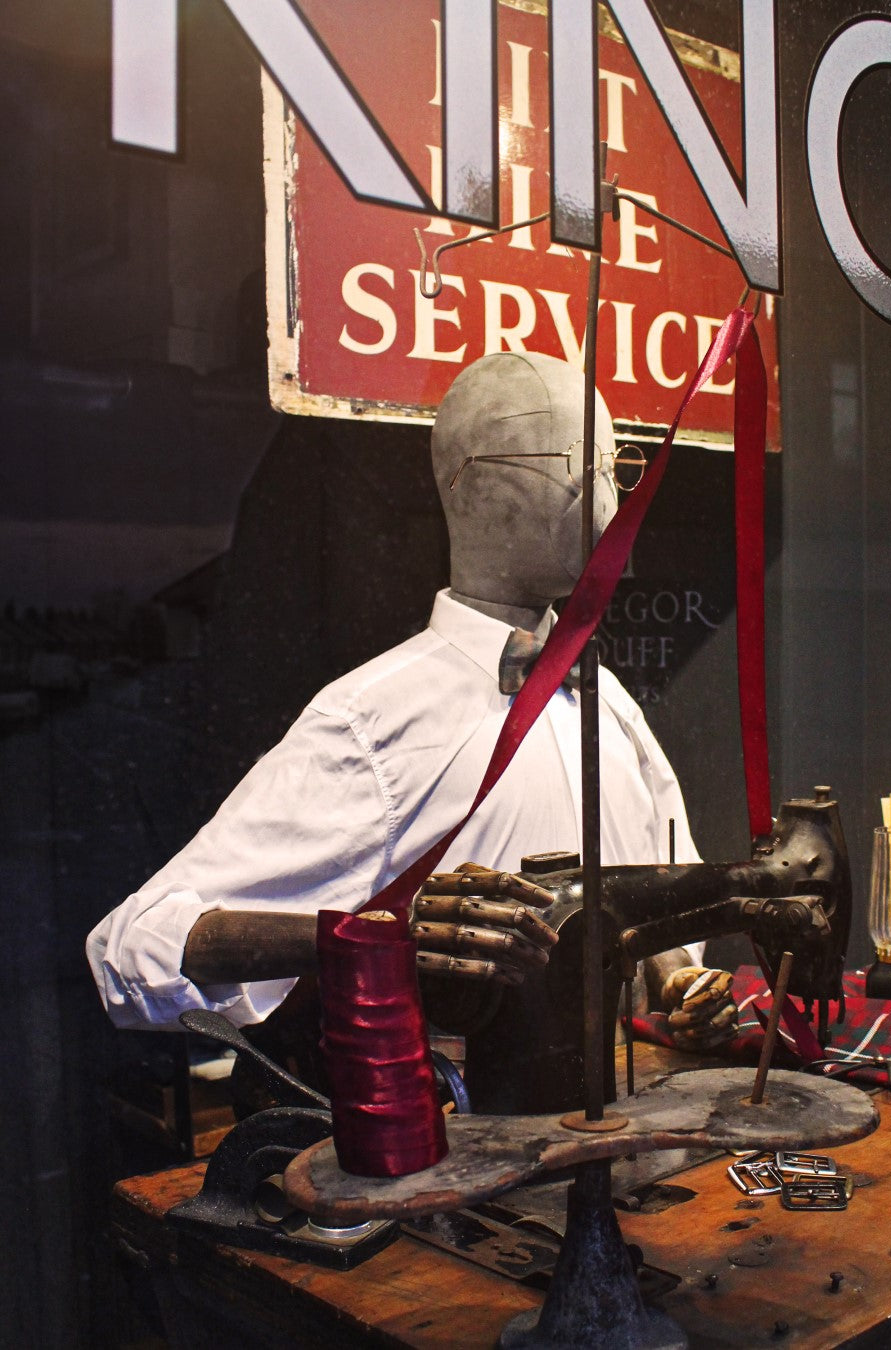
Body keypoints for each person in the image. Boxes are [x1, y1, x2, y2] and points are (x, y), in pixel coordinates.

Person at [86, 351, 735, 1052]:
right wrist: (388, 934)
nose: (607, 500)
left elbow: (660, 906)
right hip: (456, 1137)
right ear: (481, 486)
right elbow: (132, 943)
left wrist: (675, 982)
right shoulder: (375, 720)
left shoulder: (608, 706)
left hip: (623, 1124)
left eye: (614, 468)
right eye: (582, 468)